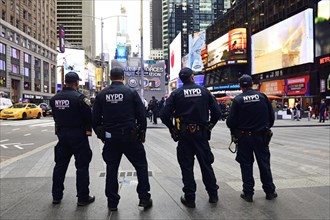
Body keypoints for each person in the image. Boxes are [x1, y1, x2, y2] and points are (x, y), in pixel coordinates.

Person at [160, 67, 221, 208]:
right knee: (206, 165)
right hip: (201, 135)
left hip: (184, 135)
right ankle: (213, 195)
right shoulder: (205, 92)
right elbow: (217, 112)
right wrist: (209, 126)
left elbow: (163, 115)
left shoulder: (176, 94)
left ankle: (190, 198)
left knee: (187, 167)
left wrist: (172, 129)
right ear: (192, 77)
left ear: (181, 79)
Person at [92, 67, 152, 211]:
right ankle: (144, 198)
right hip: (131, 138)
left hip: (111, 139)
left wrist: (102, 136)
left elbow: (94, 120)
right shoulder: (131, 93)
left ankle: (112, 203)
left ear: (110, 77)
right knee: (141, 166)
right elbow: (141, 115)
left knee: (111, 169)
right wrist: (142, 133)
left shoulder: (101, 94)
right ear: (123, 77)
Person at [226, 74, 277, 202]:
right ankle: (270, 191)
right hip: (261, 137)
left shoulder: (238, 100)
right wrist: (264, 128)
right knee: (264, 164)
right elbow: (271, 118)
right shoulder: (262, 97)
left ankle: (248, 193)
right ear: (252, 84)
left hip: (244, 138)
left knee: (246, 165)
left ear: (240, 85)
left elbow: (230, 122)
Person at [50, 71, 95, 206]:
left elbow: (55, 117)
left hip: (62, 136)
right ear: (76, 83)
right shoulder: (80, 98)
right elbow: (89, 117)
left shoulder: (54, 99)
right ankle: (82, 197)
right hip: (79, 136)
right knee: (82, 166)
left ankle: (56, 196)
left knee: (60, 166)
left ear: (65, 82)